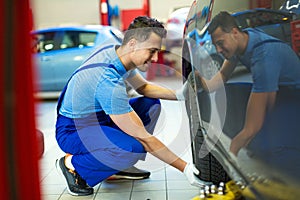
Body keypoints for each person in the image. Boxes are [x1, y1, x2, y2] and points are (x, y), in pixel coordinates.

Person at [55, 16, 206, 196]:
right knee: (131, 148)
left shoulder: (116, 51)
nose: (156, 57)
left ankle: (116, 166)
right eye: (152, 51)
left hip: (99, 118)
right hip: (74, 130)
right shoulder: (107, 80)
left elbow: (143, 87)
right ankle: (72, 165)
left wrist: (180, 95)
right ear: (133, 43)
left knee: (150, 105)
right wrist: (185, 168)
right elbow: (143, 138)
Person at [198, 11, 300, 173]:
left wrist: (232, 153)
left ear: (235, 33)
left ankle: (275, 148)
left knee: (260, 131)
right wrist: (199, 81)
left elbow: (263, 111)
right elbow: (223, 75)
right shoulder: (243, 40)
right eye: (216, 44)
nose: (218, 50)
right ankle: (260, 143)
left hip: (293, 98)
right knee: (218, 96)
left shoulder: (264, 56)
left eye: (220, 43)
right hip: (276, 90)